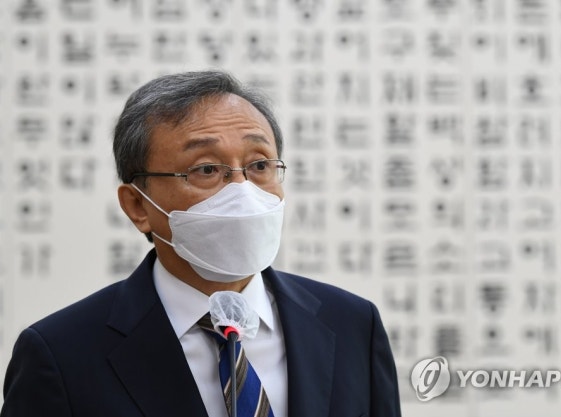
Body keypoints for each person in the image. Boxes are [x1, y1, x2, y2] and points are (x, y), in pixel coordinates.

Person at [1, 70, 401, 417]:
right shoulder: (60, 355)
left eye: (260, 165)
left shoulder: (352, 324)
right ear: (138, 206)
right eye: (207, 169)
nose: (241, 190)